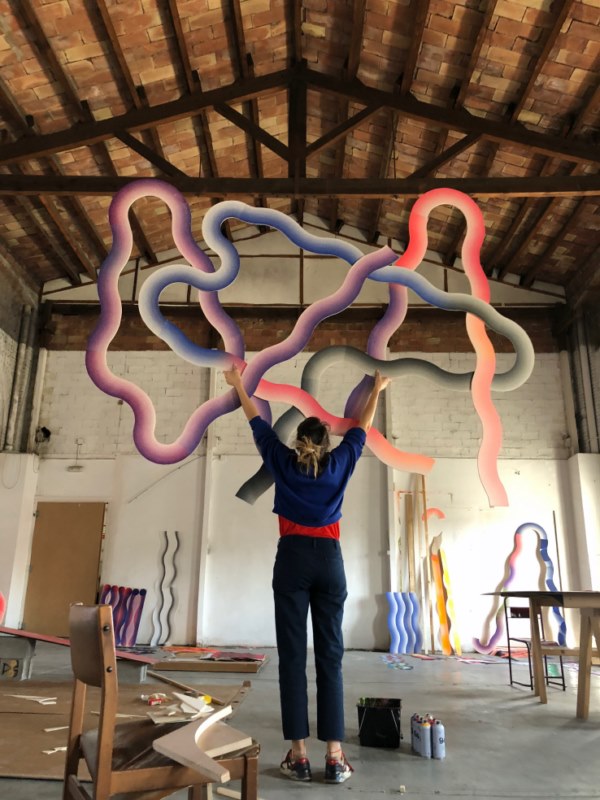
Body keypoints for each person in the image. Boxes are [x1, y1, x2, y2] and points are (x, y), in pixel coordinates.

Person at [223, 364, 390, 784]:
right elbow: (362, 428)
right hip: (330, 561)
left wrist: (239, 384)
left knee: (293, 659)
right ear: (326, 444)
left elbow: (257, 424)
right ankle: (334, 757)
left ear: (297, 442)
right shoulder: (340, 463)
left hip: (292, 560)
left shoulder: (282, 461)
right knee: (331, 658)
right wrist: (377, 389)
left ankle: (298, 756)